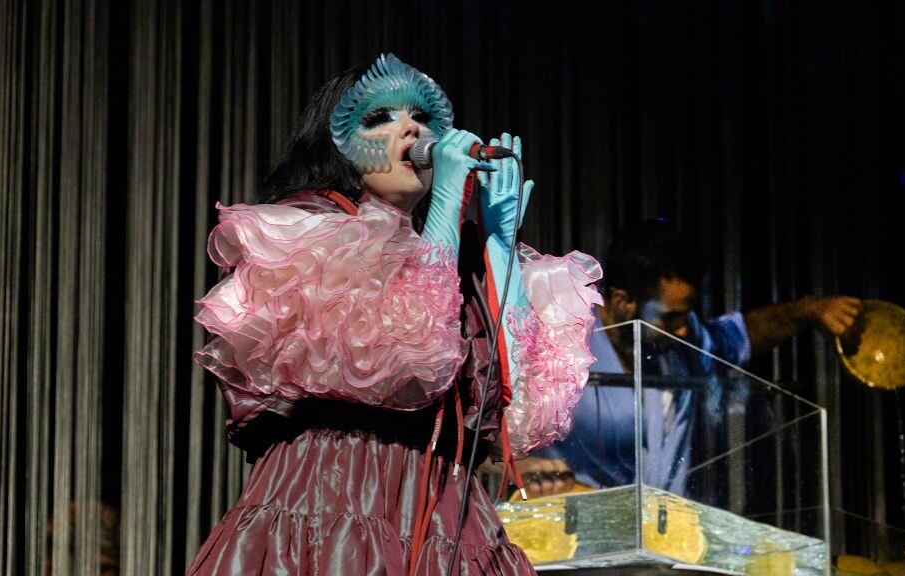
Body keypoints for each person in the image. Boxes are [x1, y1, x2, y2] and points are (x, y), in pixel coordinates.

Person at [186, 54, 602, 575]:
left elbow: (522, 412)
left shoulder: (457, 258)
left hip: (451, 513)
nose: (413, 129)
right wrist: (449, 203)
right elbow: (410, 362)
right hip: (336, 493)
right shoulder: (312, 236)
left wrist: (498, 247)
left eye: (423, 117)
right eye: (379, 117)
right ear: (336, 142)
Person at [518, 219, 861, 498]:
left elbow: (741, 333)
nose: (682, 330)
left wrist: (806, 311)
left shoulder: (681, 345)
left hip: (662, 543)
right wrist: (522, 467)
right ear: (623, 302)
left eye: (686, 316)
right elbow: (493, 422)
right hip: (569, 538)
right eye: (669, 317)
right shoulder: (560, 343)